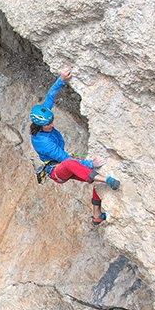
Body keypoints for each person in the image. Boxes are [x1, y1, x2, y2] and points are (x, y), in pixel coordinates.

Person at [30, 67, 120, 224]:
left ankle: (97, 216)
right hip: (57, 172)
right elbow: (64, 159)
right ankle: (107, 179)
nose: (52, 125)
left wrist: (61, 79)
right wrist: (91, 163)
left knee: (91, 174)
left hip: (65, 165)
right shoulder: (43, 143)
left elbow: (50, 98)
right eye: (48, 125)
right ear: (39, 126)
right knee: (75, 164)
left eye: (51, 121)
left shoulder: (43, 119)